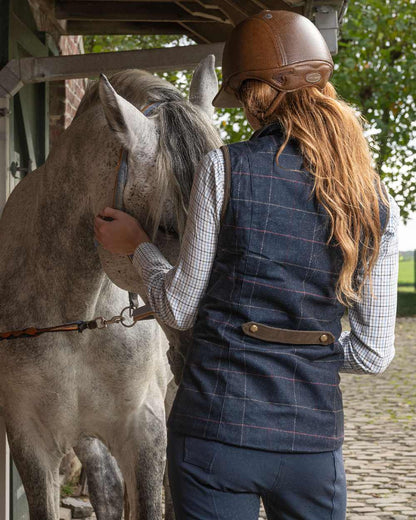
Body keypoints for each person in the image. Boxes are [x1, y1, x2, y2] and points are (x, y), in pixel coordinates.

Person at [94, 10, 399, 520]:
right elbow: (373, 354)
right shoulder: (374, 198)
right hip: (312, 448)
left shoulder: (226, 167)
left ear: (254, 96)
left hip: (215, 436)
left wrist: (138, 245)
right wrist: (303, 353)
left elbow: (180, 308)